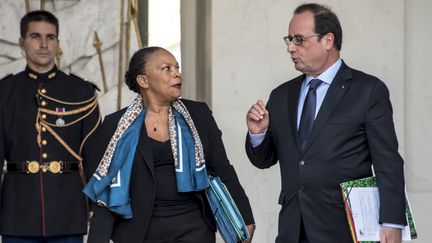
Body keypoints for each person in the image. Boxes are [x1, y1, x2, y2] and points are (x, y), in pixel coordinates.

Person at [245, 3, 406, 243]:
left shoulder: (368, 91)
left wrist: (392, 221)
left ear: (328, 41)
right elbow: (265, 159)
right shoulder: (281, 96)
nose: (290, 47)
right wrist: (258, 134)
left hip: (344, 229)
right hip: (292, 229)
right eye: (289, 39)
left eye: (298, 39)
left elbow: (388, 160)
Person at [83, 46, 255, 243]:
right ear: (143, 80)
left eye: (177, 67)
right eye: (167, 69)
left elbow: (222, 170)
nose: (177, 74)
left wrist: (245, 218)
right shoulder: (115, 124)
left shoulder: (199, 114)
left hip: (194, 229)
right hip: (138, 232)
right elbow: (105, 188)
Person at [0, 10, 101, 243]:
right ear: (21, 43)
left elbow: (94, 157)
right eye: (36, 36)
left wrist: (100, 207)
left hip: (68, 213)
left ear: (58, 43)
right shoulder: (5, 92)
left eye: (51, 37)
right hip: (18, 215)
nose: (44, 44)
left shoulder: (81, 92)